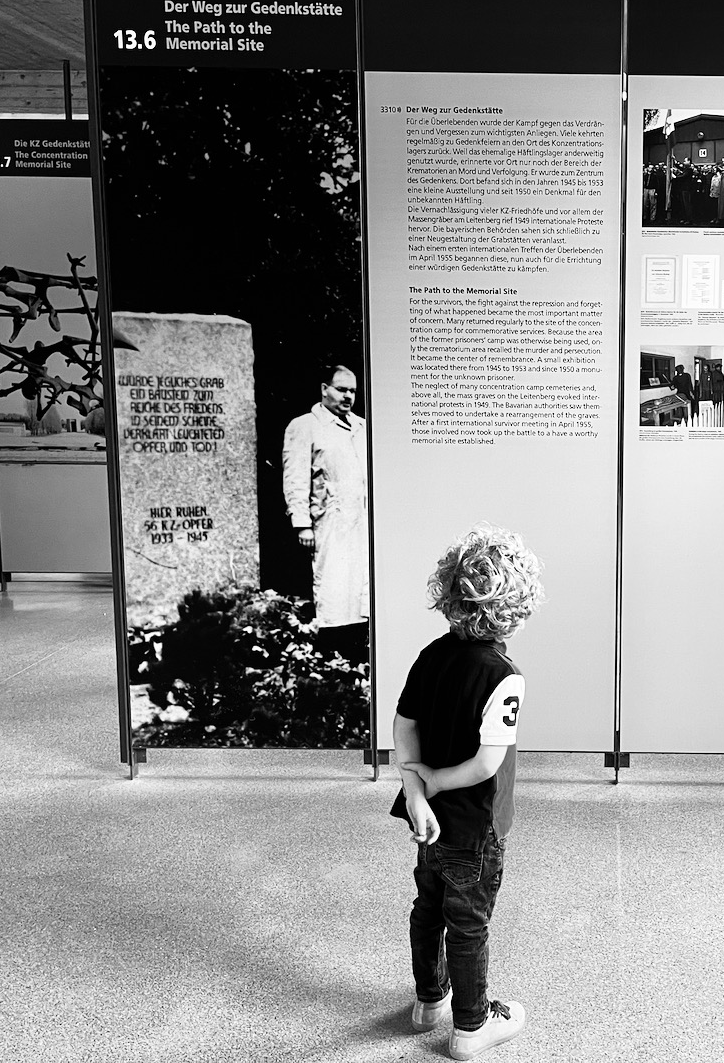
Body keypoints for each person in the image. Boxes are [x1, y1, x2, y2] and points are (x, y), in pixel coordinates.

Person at [392, 525, 546, 1061]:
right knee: (469, 922)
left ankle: (428, 1002)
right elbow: (486, 763)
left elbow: (403, 728)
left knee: (428, 905)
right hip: (476, 824)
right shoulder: (505, 675)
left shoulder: (432, 653)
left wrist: (416, 791)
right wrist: (434, 781)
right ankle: (472, 1027)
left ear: (449, 590)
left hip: (426, 816)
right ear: (517, 603)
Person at [282, 362, 369, 663]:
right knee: (333, 584)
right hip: (329, 518)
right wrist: (301, 523)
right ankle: (333, 649)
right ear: (324, 389)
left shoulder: (361, 427)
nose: (348, 396)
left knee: (360, 584)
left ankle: (357, 649)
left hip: (361, 519)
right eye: (341, 389)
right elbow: (294, 477)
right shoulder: (305, 425)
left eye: (353, 391)